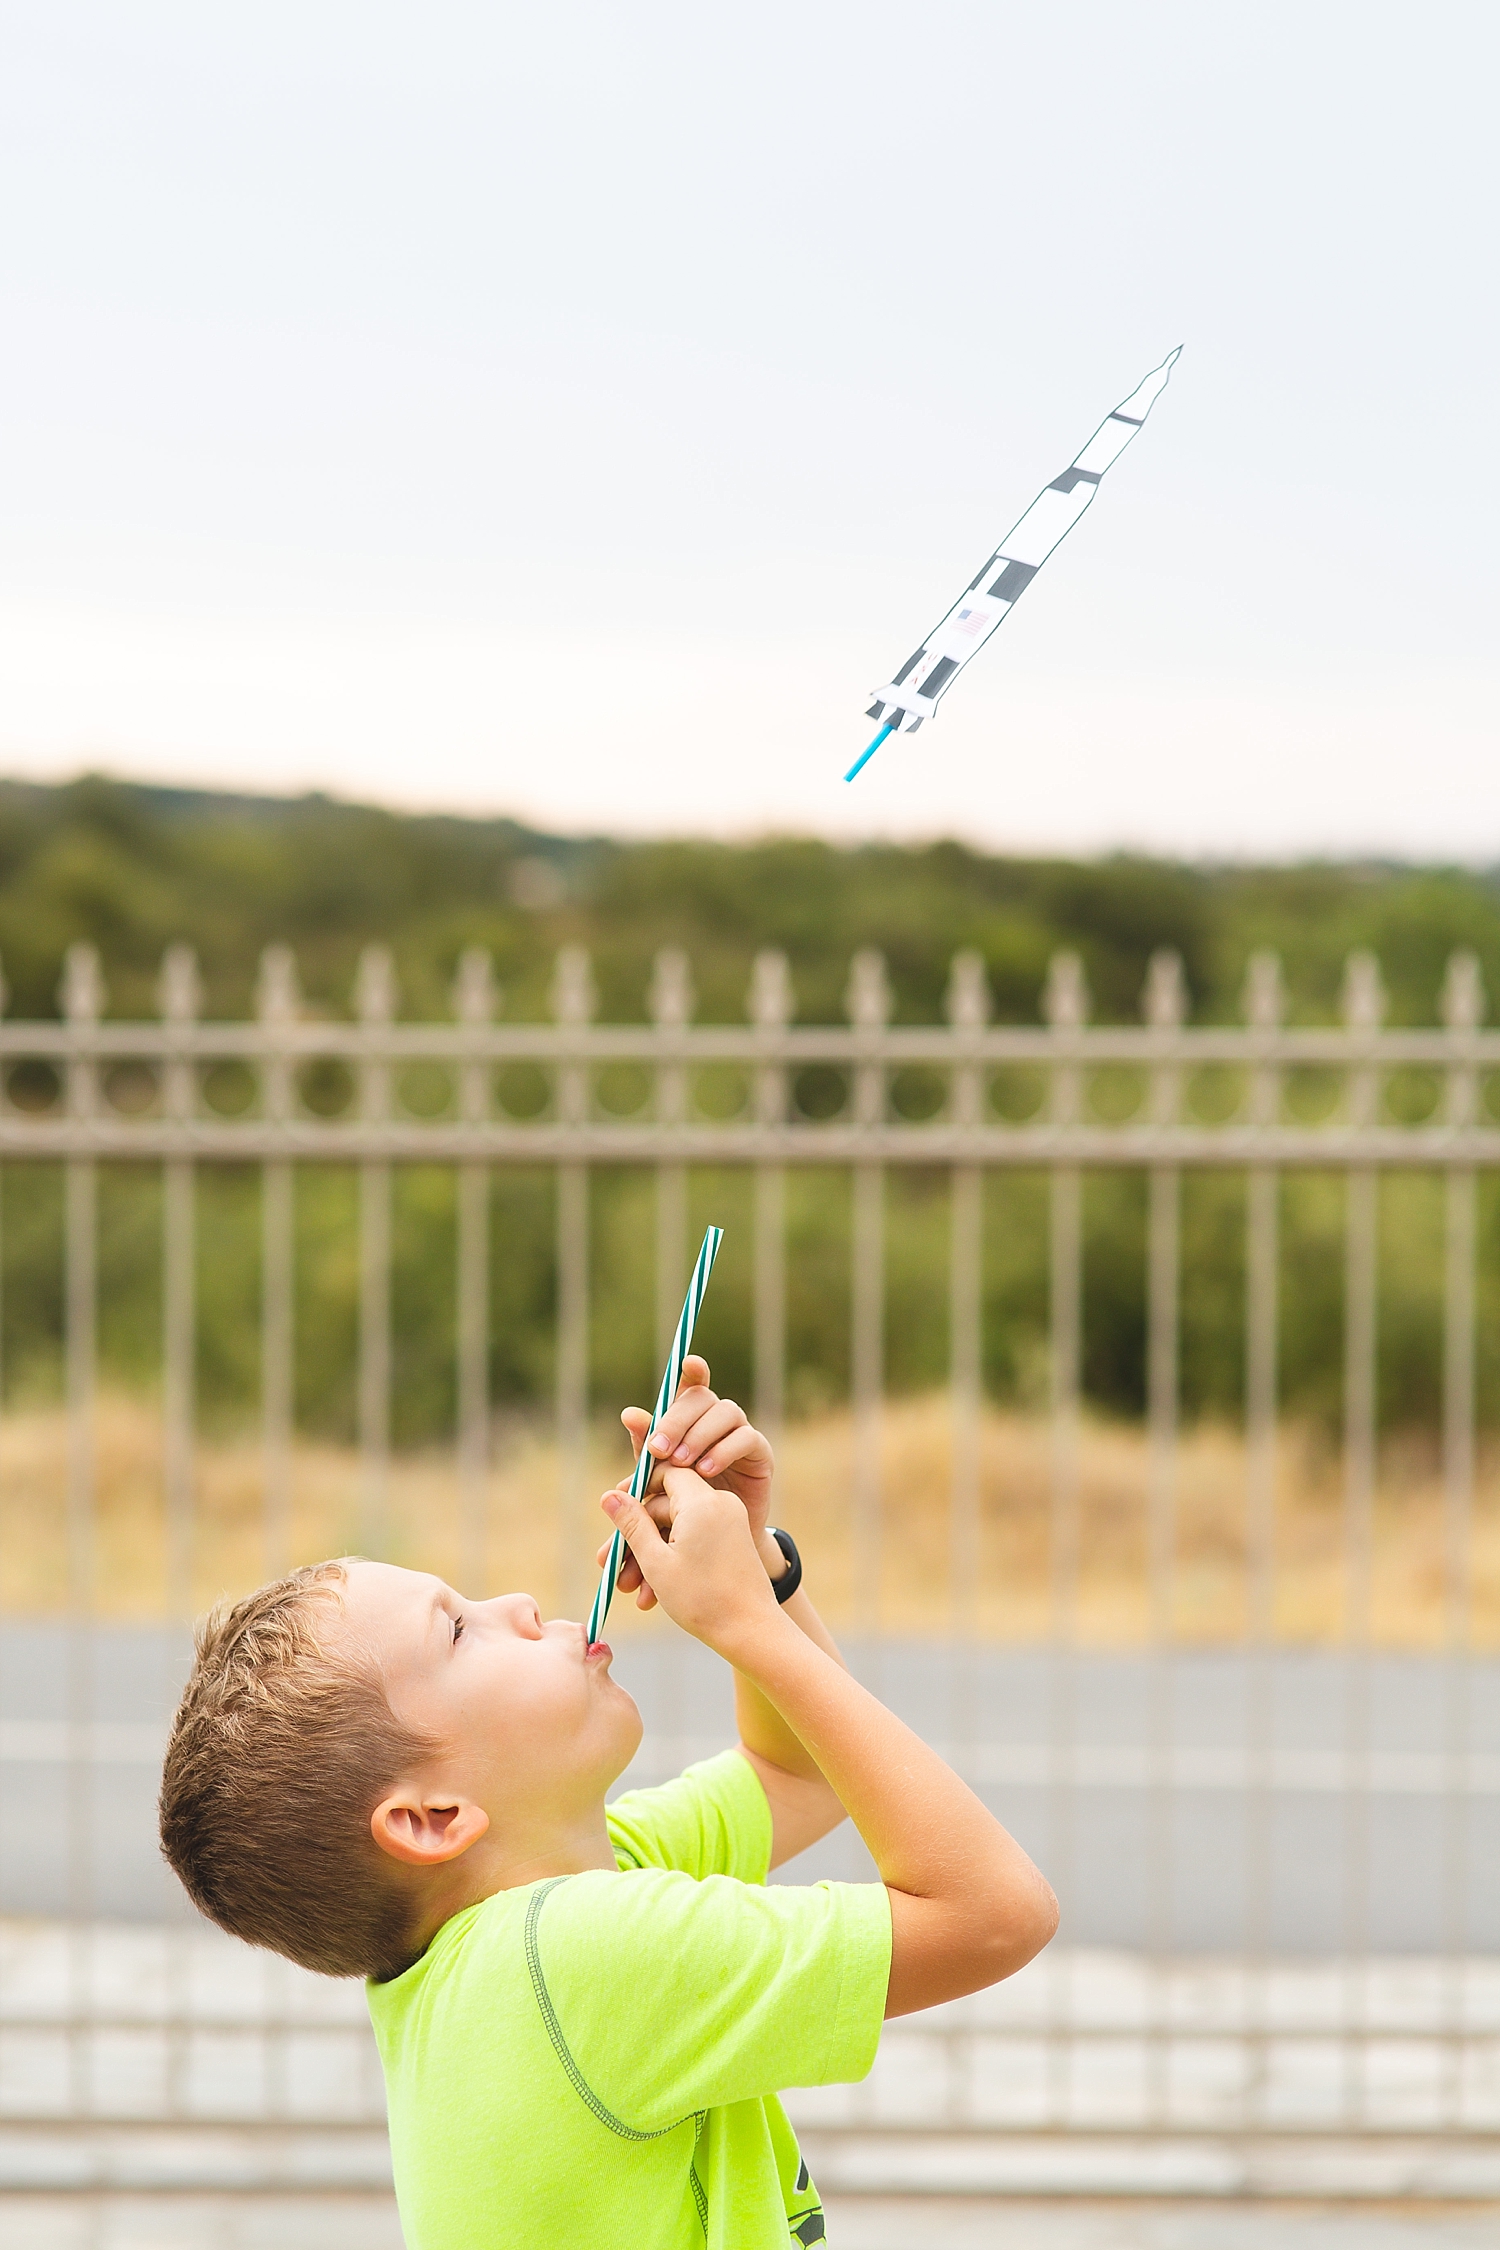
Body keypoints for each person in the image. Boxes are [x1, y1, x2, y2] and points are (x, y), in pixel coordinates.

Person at [159, 1358, 1057, 2249]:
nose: (515, 1600)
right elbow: (998, 1914)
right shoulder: (579, 1962)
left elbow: (797, 1777)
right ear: (432, 1820)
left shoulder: (535, 1914)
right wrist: (742, 1622)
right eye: (459, 1629)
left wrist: (761, 1571)